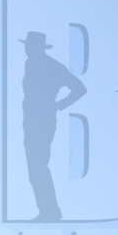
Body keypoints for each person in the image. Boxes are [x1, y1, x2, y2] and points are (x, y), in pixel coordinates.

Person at [18, 31, 85, 222]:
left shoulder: (52, 66)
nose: (26, 49)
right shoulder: (30, 63)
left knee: (38, 167)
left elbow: (80, 88)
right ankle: (48, 211)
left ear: (36, 48)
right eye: (26, 45)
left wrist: (59, 105)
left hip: (42, 121)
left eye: (29, 46)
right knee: (35, 168)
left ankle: (51, 212)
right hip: (31, 120)